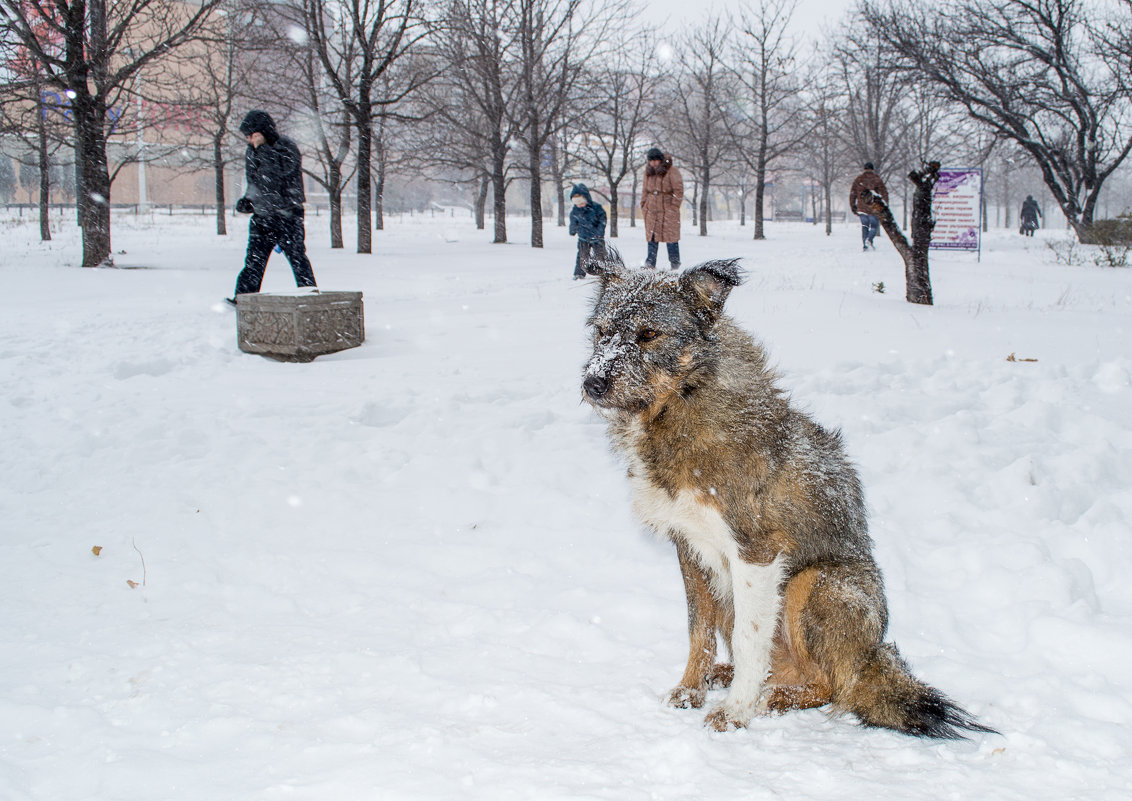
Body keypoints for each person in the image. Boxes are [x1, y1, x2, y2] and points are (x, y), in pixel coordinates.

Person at [228, 110, 317, 305]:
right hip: (263, 216)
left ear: (263, 132)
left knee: (297, 258)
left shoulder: (286, 147)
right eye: (248, 137)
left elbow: (273, 176)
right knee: (253, 261)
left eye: (252, 135)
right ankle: (243, 299)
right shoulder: (252, 150)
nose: (250, 140)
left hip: (288, 215)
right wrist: (248, 199)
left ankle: (310, 298)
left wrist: (264, 149)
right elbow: (256, 180)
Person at [641, 147, 683, 269]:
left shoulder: (672, 171)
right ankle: (650, 263)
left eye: (655, 160)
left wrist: (673, 207)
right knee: (652, 238)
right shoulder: (647, 172)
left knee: (671, 238)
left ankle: (675, 263)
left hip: (668, 211)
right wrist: (644, 205)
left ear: (660, 160)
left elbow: (678, 191)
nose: (653, 163)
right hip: (652, 211)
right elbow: (644, 190)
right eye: (651, 160)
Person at [568, 183, 607, 279]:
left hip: (597, 237)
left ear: (587, 199)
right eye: (577, 204)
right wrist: (572, 230)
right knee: (582, 256)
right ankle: (579, 273)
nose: (580, 205)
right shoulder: (575, 211)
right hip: (583, 237)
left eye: (581, 203)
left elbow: (602, 220)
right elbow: (573, 221)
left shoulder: (596, 208)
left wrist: (600, 232)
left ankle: (603, 271)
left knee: (600, 255)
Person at [849, 162, 888, 251]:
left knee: (865, 227)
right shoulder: (877, 179)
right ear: (872, 169)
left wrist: (853, 205)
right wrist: (885, 205)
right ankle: (869, 240)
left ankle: (865, 245)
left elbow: (853, 194)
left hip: (861, 208)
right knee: (874, 226)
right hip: (873, 208)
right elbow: (884, 192)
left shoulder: (859, 179)